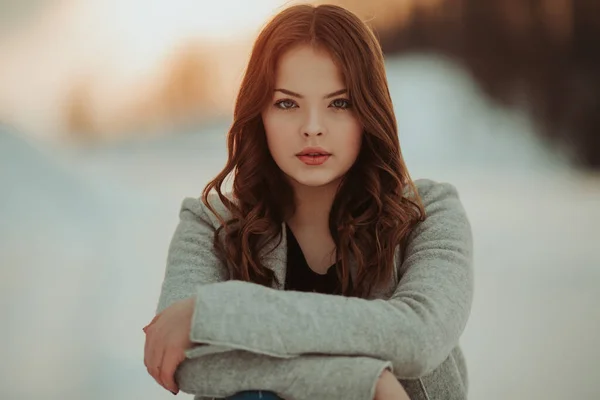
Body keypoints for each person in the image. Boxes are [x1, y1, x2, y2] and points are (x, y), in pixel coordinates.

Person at [143, 4, 473, 400]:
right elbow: (183, 364)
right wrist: (364, 383)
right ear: (259, 113)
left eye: (340, 103)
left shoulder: (428, 213)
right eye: (287, 103)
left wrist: (213, 314)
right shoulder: (209, 224)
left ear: (369, 111)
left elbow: (419, 337)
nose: (312, 127)